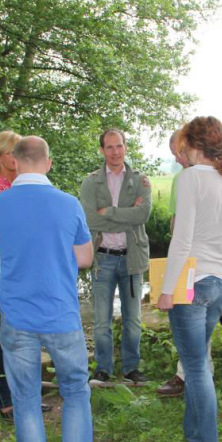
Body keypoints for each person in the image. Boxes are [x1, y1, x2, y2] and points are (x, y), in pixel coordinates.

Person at [0, 136, 111, 442]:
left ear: (15, 163)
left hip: (16, 317)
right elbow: (85, 258)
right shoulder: (68, 204)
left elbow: (6, 247)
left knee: (24, 400)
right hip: (60, 314)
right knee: (75, 392)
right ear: (48, 163)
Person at [157, 117, 222, 442]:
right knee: (198, 364)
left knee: (195, 368)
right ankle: (195, 440)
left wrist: (168, 290)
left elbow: (182, 239)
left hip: (192, 284)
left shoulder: (191, 178)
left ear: (193, 146)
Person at [0, 130, 47, 414]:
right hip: (9, 270)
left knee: (27, 332)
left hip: (26, 268)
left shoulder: (17, 185)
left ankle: (25, 394)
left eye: (16, 151)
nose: (13, 157)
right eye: (8, 152)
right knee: (5, 335)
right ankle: (6, 399)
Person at [79, 129, 152, 384]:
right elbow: (90, 219)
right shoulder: (90, 182)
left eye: (119, 146)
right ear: (102, 150)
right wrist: (124, 216)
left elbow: (142, 215)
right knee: (101, 320)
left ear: (125, 147)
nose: (115, 152)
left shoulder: (140, 180)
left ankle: (132, 368)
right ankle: (103, 369)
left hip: (132, 258)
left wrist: (109, 212)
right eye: (109, 147)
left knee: (133, 319)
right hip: (103, 258)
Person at [157, 131, 213, 398]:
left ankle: (191, 376)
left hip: (202, 264)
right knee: (191, 323)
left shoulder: (206, 178)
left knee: (196, 323)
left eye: (179, 153)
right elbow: (175, 223)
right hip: (189, 262)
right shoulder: (181, 178)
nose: (178, 160)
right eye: (174, 156)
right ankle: (192, 373)